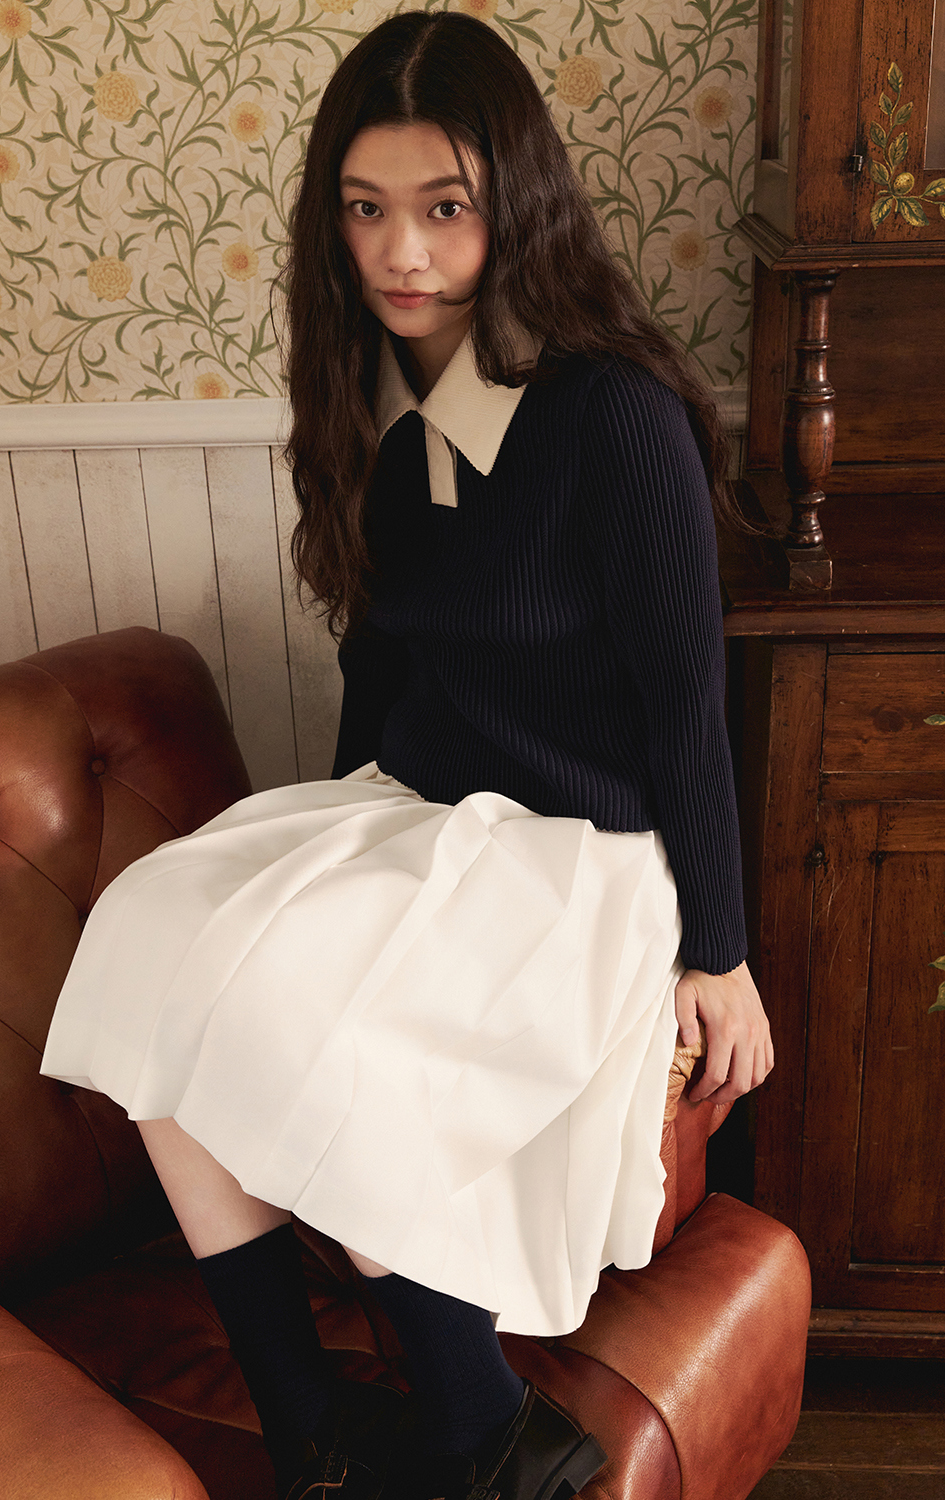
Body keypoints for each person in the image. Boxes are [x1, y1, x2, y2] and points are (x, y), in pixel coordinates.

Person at [41, 11, 773, 1500]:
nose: (404, 253)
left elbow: (684, 702)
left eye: (445, 207)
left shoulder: (616, 419)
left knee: (319, 1032)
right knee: (150, 932)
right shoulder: (372, 410)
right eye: (366, 210)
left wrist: (723, 948)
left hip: (580, 853)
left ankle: (485, 1428)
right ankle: (306, 1422)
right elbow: (381, 674)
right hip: (429, 813)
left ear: (518, 205)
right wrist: (319, 851)